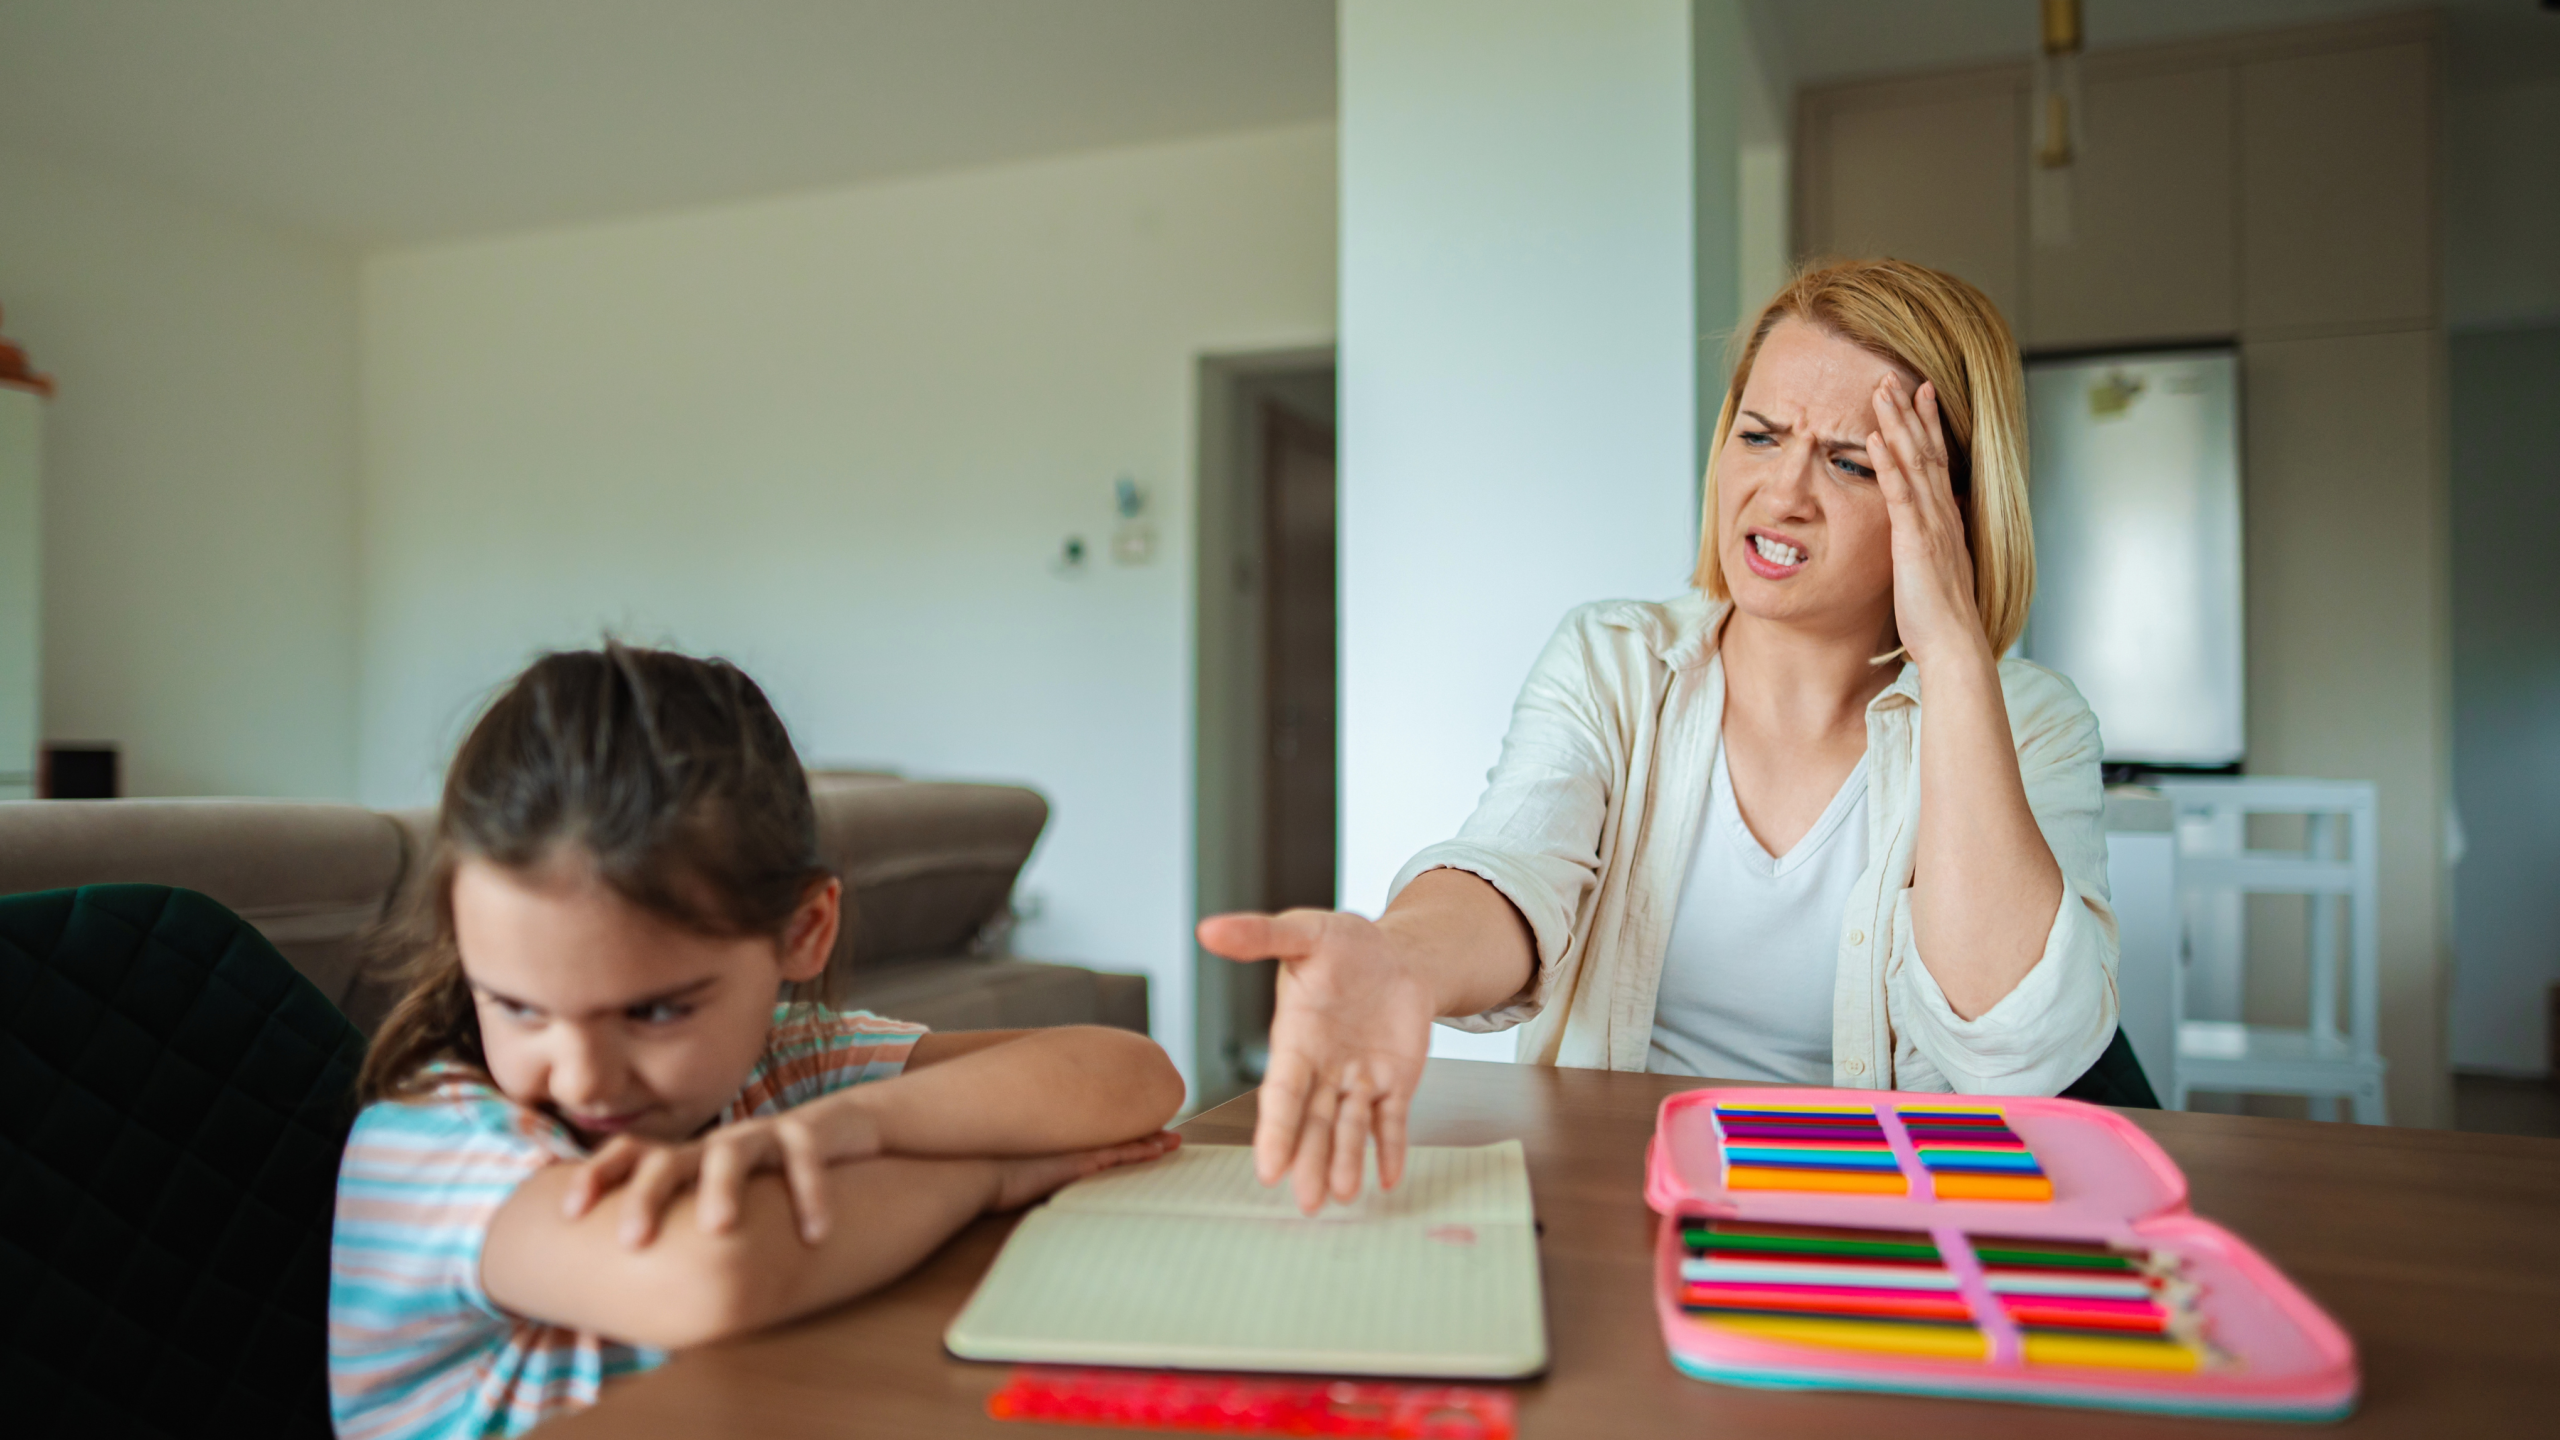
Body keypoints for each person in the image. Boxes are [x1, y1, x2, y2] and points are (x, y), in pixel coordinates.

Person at [1201, 258, 2120, 1214]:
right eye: (1759, 437)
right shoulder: (1616, 661)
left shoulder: (2030, 723)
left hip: (1886, 1221)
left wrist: (1955, 655)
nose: (1782, 494)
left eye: (1852, 463)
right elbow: (1514, 864)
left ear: (1949, 504)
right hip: (1619, 1198)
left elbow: (2022, 1051)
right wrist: (1400, 960)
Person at [330, 644, 1184, 1439]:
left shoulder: (785, 1064)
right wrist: (986, 1170)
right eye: (519, 1008)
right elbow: (712, 1272)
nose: (582, 1077)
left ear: (802, 932)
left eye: (655, 1013)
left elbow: (1130, 1077)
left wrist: (863, 1126)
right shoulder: (434, 1143)